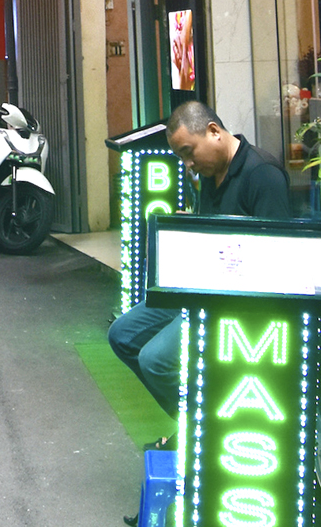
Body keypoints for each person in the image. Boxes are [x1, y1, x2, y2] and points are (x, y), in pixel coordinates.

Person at [107, 100, 292, 422]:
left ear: (213, 132)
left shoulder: (262, 174)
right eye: (182, 156)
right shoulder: (212, 174)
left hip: (235, 303)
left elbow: (277, 255)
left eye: (189, 152)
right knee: (122, 334)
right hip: (203, 289)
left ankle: (202, 431)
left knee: (156, 359)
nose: (188, 164)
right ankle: (196, 425)